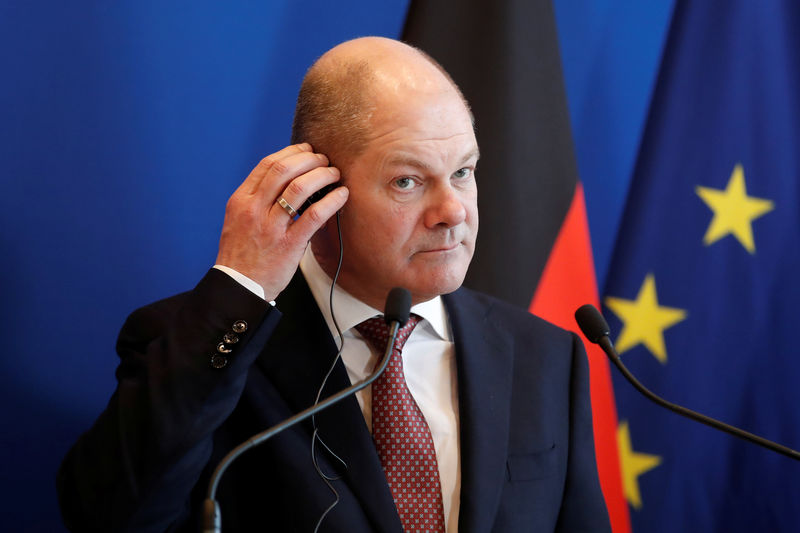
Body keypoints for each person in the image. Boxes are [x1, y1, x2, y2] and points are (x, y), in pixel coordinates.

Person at [57, 37, 611, 532]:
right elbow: (112, 516)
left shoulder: (545, 355)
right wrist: (241, 286)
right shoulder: (204, 346)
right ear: (319, 191)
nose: (452, 211)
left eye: (463, 172)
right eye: (408, 180)